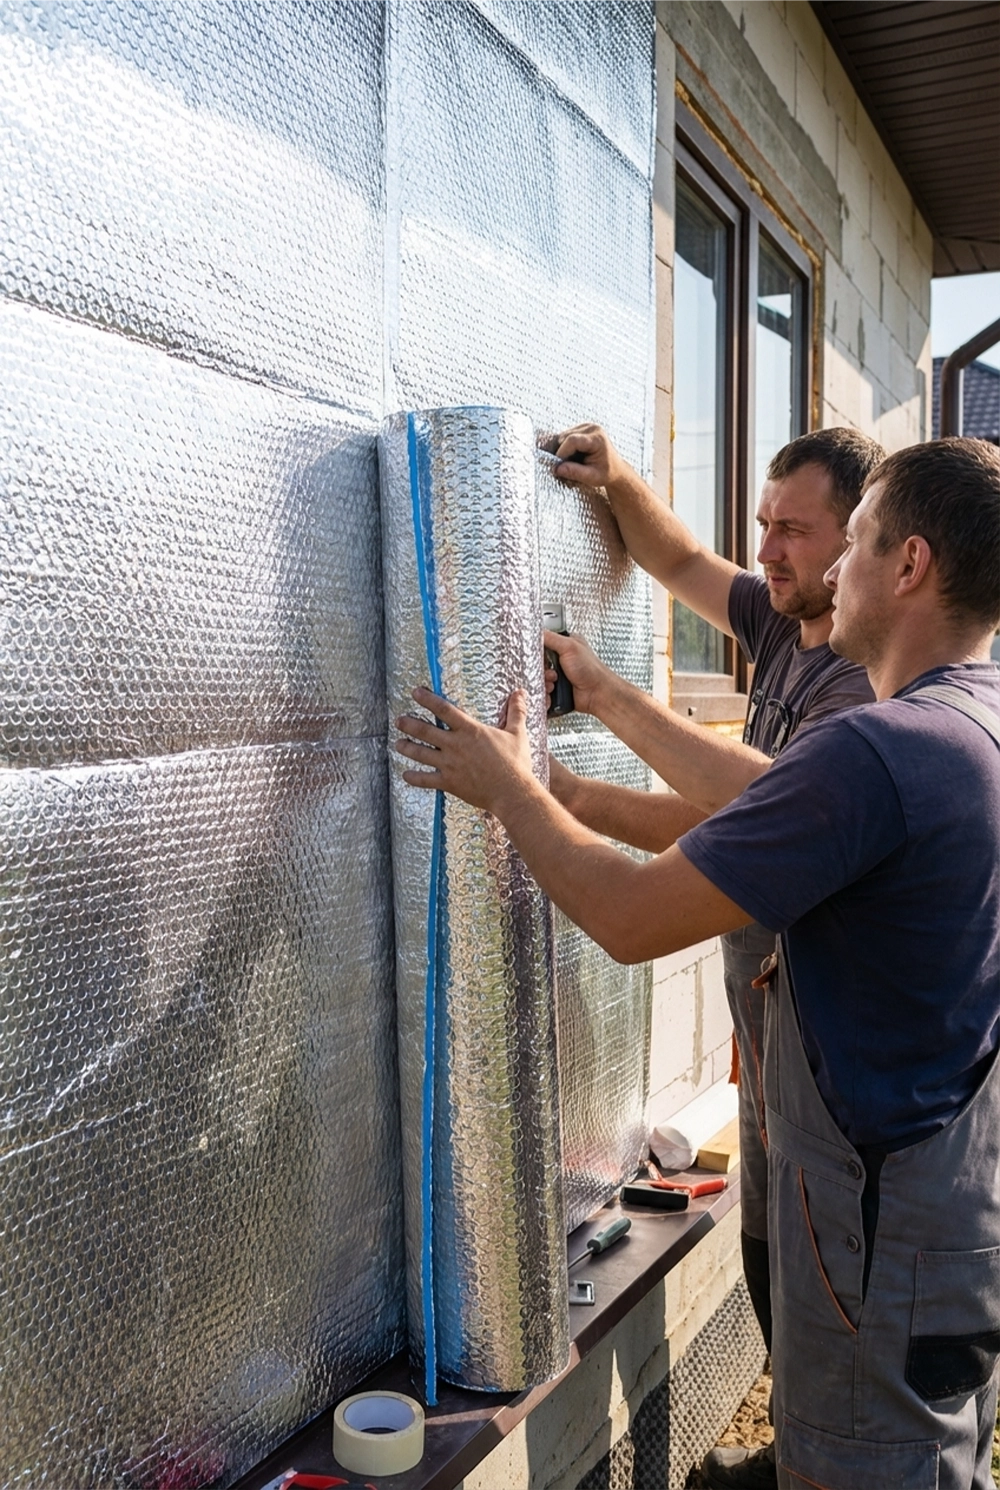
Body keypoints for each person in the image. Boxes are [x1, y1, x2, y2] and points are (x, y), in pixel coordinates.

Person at [394, 437, 1000, 1490]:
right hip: (939, 1200)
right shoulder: (972, 719)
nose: (826, 566)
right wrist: (566, 785)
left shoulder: (881, 748)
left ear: (908, 564)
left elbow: (630, 916)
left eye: (851, 539)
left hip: (877, 1226)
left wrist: (510, 789)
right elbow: (762, 803)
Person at [543, 424, 882, 1488]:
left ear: (863, 542)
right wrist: (618, 480)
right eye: (763, 523)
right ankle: (794, 1452)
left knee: (827, 1284)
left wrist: (593, 713)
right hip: (767, 1030)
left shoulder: (859, 692)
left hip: (821, 1048)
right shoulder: (782, 616)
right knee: (770, 1251)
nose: (766, 550)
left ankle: (819, 1459)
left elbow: (739, 812)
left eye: (794, 530)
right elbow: (681, 558)